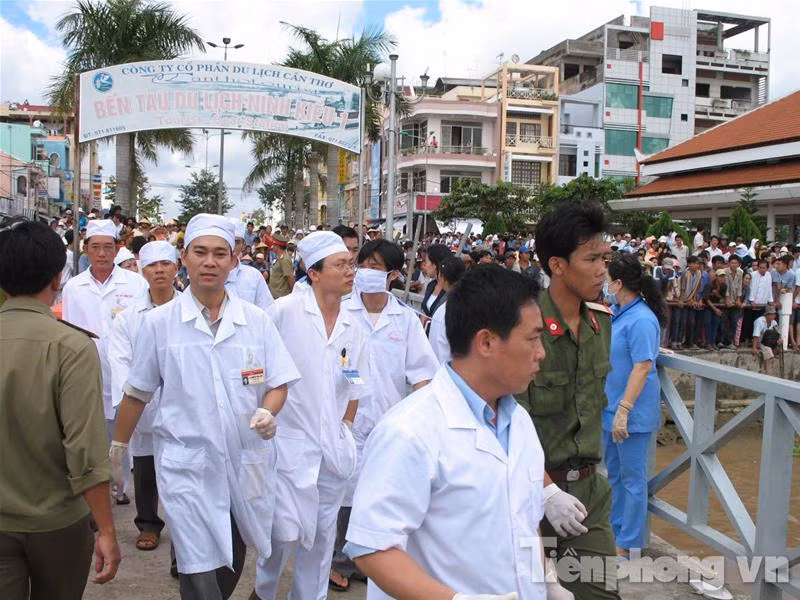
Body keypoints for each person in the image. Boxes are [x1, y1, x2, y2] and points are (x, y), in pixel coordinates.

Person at [346, 265, 569, 600]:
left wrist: (546, 581)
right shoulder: (410, 431)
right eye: (533, 338)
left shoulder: (518, 421)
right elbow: (372, 547)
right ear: (487, 342)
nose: (541, 353)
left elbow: (524, 518)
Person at [111, 214, 299, 600]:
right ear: (185, 257)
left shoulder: (256, 321)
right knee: (197, 566)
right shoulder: (161, 324)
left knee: (234, 554)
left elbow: (278, 382)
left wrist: (268, 411)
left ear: (234, 260)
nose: (210, 262)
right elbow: (137, 392)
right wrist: (117, 448)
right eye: (200, 253)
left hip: (245, 460)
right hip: (188, 466)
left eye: (219, 254)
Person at [0, 218, 120, 597]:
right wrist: (106, 529)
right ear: (58, 277)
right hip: (57, 523)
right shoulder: (71, 347)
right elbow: (85, 451)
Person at [254, 231, 370, 600]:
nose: (350, 272)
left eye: (351, 264)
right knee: (282, 534)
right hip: (287, 445)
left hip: (332, 450)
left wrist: (347, 428)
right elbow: (258, 371)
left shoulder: (355, 323)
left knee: (320, 542)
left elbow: (355, 380)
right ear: (314, 272)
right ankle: (264, 591)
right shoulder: (284, 312)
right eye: (341, 265)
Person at [516, 202, 622, 600]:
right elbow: (510, 423)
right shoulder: (525, 328)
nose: (602, 270)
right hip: (529, 495)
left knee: (598, 594)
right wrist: (547, 494)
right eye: (591, 259)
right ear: (557, 265)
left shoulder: (602, 323)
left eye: (605, 258)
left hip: (588, 497)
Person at [330, 239, 438, 591]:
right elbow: (340, 363)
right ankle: (339, 562)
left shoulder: (404, 320)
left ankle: (369, 562)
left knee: (378, 496)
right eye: (365, 265)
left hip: (389, 424)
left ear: (392, 275)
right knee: (342, 496)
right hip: (346, 420)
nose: (368, 273)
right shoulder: (342, 313)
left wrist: (424, 420)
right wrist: (356, 393)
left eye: (378, 268)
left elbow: (422, 375)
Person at [62, 218, 148, 504]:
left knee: (125, 438)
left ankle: (122, 489)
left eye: (107, 247)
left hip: (126, 370)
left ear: (116, 249)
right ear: (85, 249)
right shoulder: (74, 287)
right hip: (88, 371)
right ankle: (99, 490)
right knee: (93, 436)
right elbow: (71, 330)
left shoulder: (135, 284)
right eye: (95, 247)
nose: (101, 253)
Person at [108, 241, 179, 557]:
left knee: (184, 478)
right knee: (146, 467)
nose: (160, 270)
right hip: (144, 408)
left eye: (166, 263)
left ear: (177, 267)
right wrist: (131, 406)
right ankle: (148, 524)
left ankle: (184, 542)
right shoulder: (128, 318)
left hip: (183, 409)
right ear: (142, 270)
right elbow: (121, 362)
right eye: (153, 265)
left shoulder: (190, 309)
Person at [603, 253, 666, 558]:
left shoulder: (641, 319)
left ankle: (629, 543)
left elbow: (642, 366)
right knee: (614, 475)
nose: (603, 283)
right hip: (610, 408)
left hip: (631, 413)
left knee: (632, 480)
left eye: (607, 279)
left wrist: (625, 410)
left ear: (618, 283)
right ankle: (616, 532)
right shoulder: (619, 311)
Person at [428, 256, 467, 365]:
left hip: (445, 370)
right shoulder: (470, 304)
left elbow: (437, 348)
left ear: (441, 277)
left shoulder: (445, 310)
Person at [226, 224, 274, 311]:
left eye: (236, 242)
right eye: (228, 242)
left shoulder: (254, 276)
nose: (232, 247)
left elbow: (267, 310)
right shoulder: (208, 275)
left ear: (243, 245)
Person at [420, 243, 452, 328]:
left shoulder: (450, 290)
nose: (424, 266)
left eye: (426, 262)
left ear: (435, 265)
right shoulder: (431, 285)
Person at [752, 305, 781, 375]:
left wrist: (779, 340)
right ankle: (768, 372)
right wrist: (754, 348)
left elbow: (777, 334)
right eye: (772, 314)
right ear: (767, 314)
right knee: (769, 355)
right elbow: (756, 335)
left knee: (777, 349)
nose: (774, 315)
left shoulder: (774, 322)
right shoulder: (759, 321)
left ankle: (767, 370)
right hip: (761, 341)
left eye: (774, 314)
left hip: (770, 341)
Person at [702, 269, 728, 349]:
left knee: (716, 324)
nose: (722, 278)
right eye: (720, 276)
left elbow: (722, 298)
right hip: (708, 307)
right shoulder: (709, 285)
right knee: (708, 324)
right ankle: (708, 343)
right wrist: (715, 309)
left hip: (717, 307)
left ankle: (713, 342)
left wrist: (717, 295)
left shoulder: (724, 286)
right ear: (716, 277)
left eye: (723, 276)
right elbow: (706, 299)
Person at [268, 234, 294, 298]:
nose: (272, 247)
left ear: (277, 246)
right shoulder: (280, 258)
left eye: (273, 245)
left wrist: (293, 294)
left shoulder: (284, 259)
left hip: (280, 296)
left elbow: (290, 278)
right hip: (275, 294)